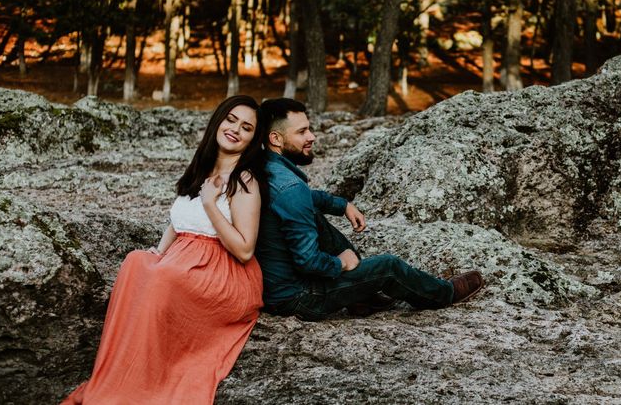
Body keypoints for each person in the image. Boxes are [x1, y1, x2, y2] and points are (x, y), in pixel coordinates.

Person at [63, 95, 266, 404]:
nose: (236, 129)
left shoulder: (244, 180)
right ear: (218, 121)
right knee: (136, 263)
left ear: (253, 140)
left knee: (162, 278)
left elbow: (245, 249)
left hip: (224, 274)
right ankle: (119, 378)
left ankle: (141, 386)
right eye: (231, 120)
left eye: (247, 127)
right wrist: (158, 254)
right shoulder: (200, 169)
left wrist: (212, 204)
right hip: (184, 261)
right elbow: (179, 222)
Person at [255, 98, 484, 321]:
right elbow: (308, 261)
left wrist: (342, 205)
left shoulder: (267, 169)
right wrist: (342, 263)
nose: (312, 136)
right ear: (275, 138)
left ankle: (361, 296)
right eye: (302, 131)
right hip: (299, 298)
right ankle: (444, 294)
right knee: (389, 267)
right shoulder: (291, 188)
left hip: (276, 288)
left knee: (316, 217)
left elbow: (304, 200)